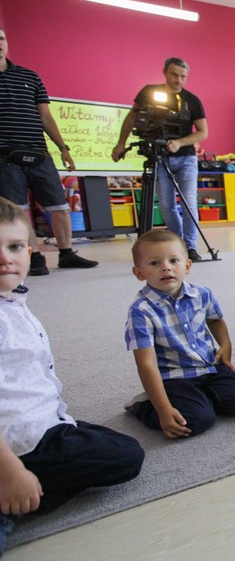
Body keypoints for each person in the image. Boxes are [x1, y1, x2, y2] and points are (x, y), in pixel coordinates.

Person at [0, 197, 143, 554]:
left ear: (30, 250)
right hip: (19, 443)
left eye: (14, 246)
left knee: (106, 443)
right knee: (125, 456)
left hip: (38, 423)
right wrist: (12, 474)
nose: (5, 258)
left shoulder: (12, 299)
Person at [124, 230, 235, 436]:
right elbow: (145, 363)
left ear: (187, 265)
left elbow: (215, 320)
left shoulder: (202, 293)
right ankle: (143, 406)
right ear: (139, 273)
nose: (166, 267)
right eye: (154, 263)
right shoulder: (141, 311)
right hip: (173, 375)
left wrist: (226, 345)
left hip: (209, 366)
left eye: (173, 260)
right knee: (196, 420)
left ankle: (198, 398)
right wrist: (163, 410)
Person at [0, 27, 98, 276]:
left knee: (59, 206)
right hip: (5, 157)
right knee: (17, 211)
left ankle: (67, 254)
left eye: (1, 39)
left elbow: (46, 116)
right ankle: (33, 257)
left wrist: (63, 148)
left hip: (39, 153)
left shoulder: (30, 77)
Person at [112, 58, 208, 262]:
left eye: (183, 77)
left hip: (185, 159)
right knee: (166, 205)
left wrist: (180, 142)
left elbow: (203, 132)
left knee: (189, 203)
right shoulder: (148, 92)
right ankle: (177, 244)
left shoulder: (192, 100)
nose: (179, 80)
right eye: (174, 75)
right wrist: (121, 144)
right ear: (165, 72)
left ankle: (190, 247)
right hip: (158, 157)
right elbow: (131, 118)